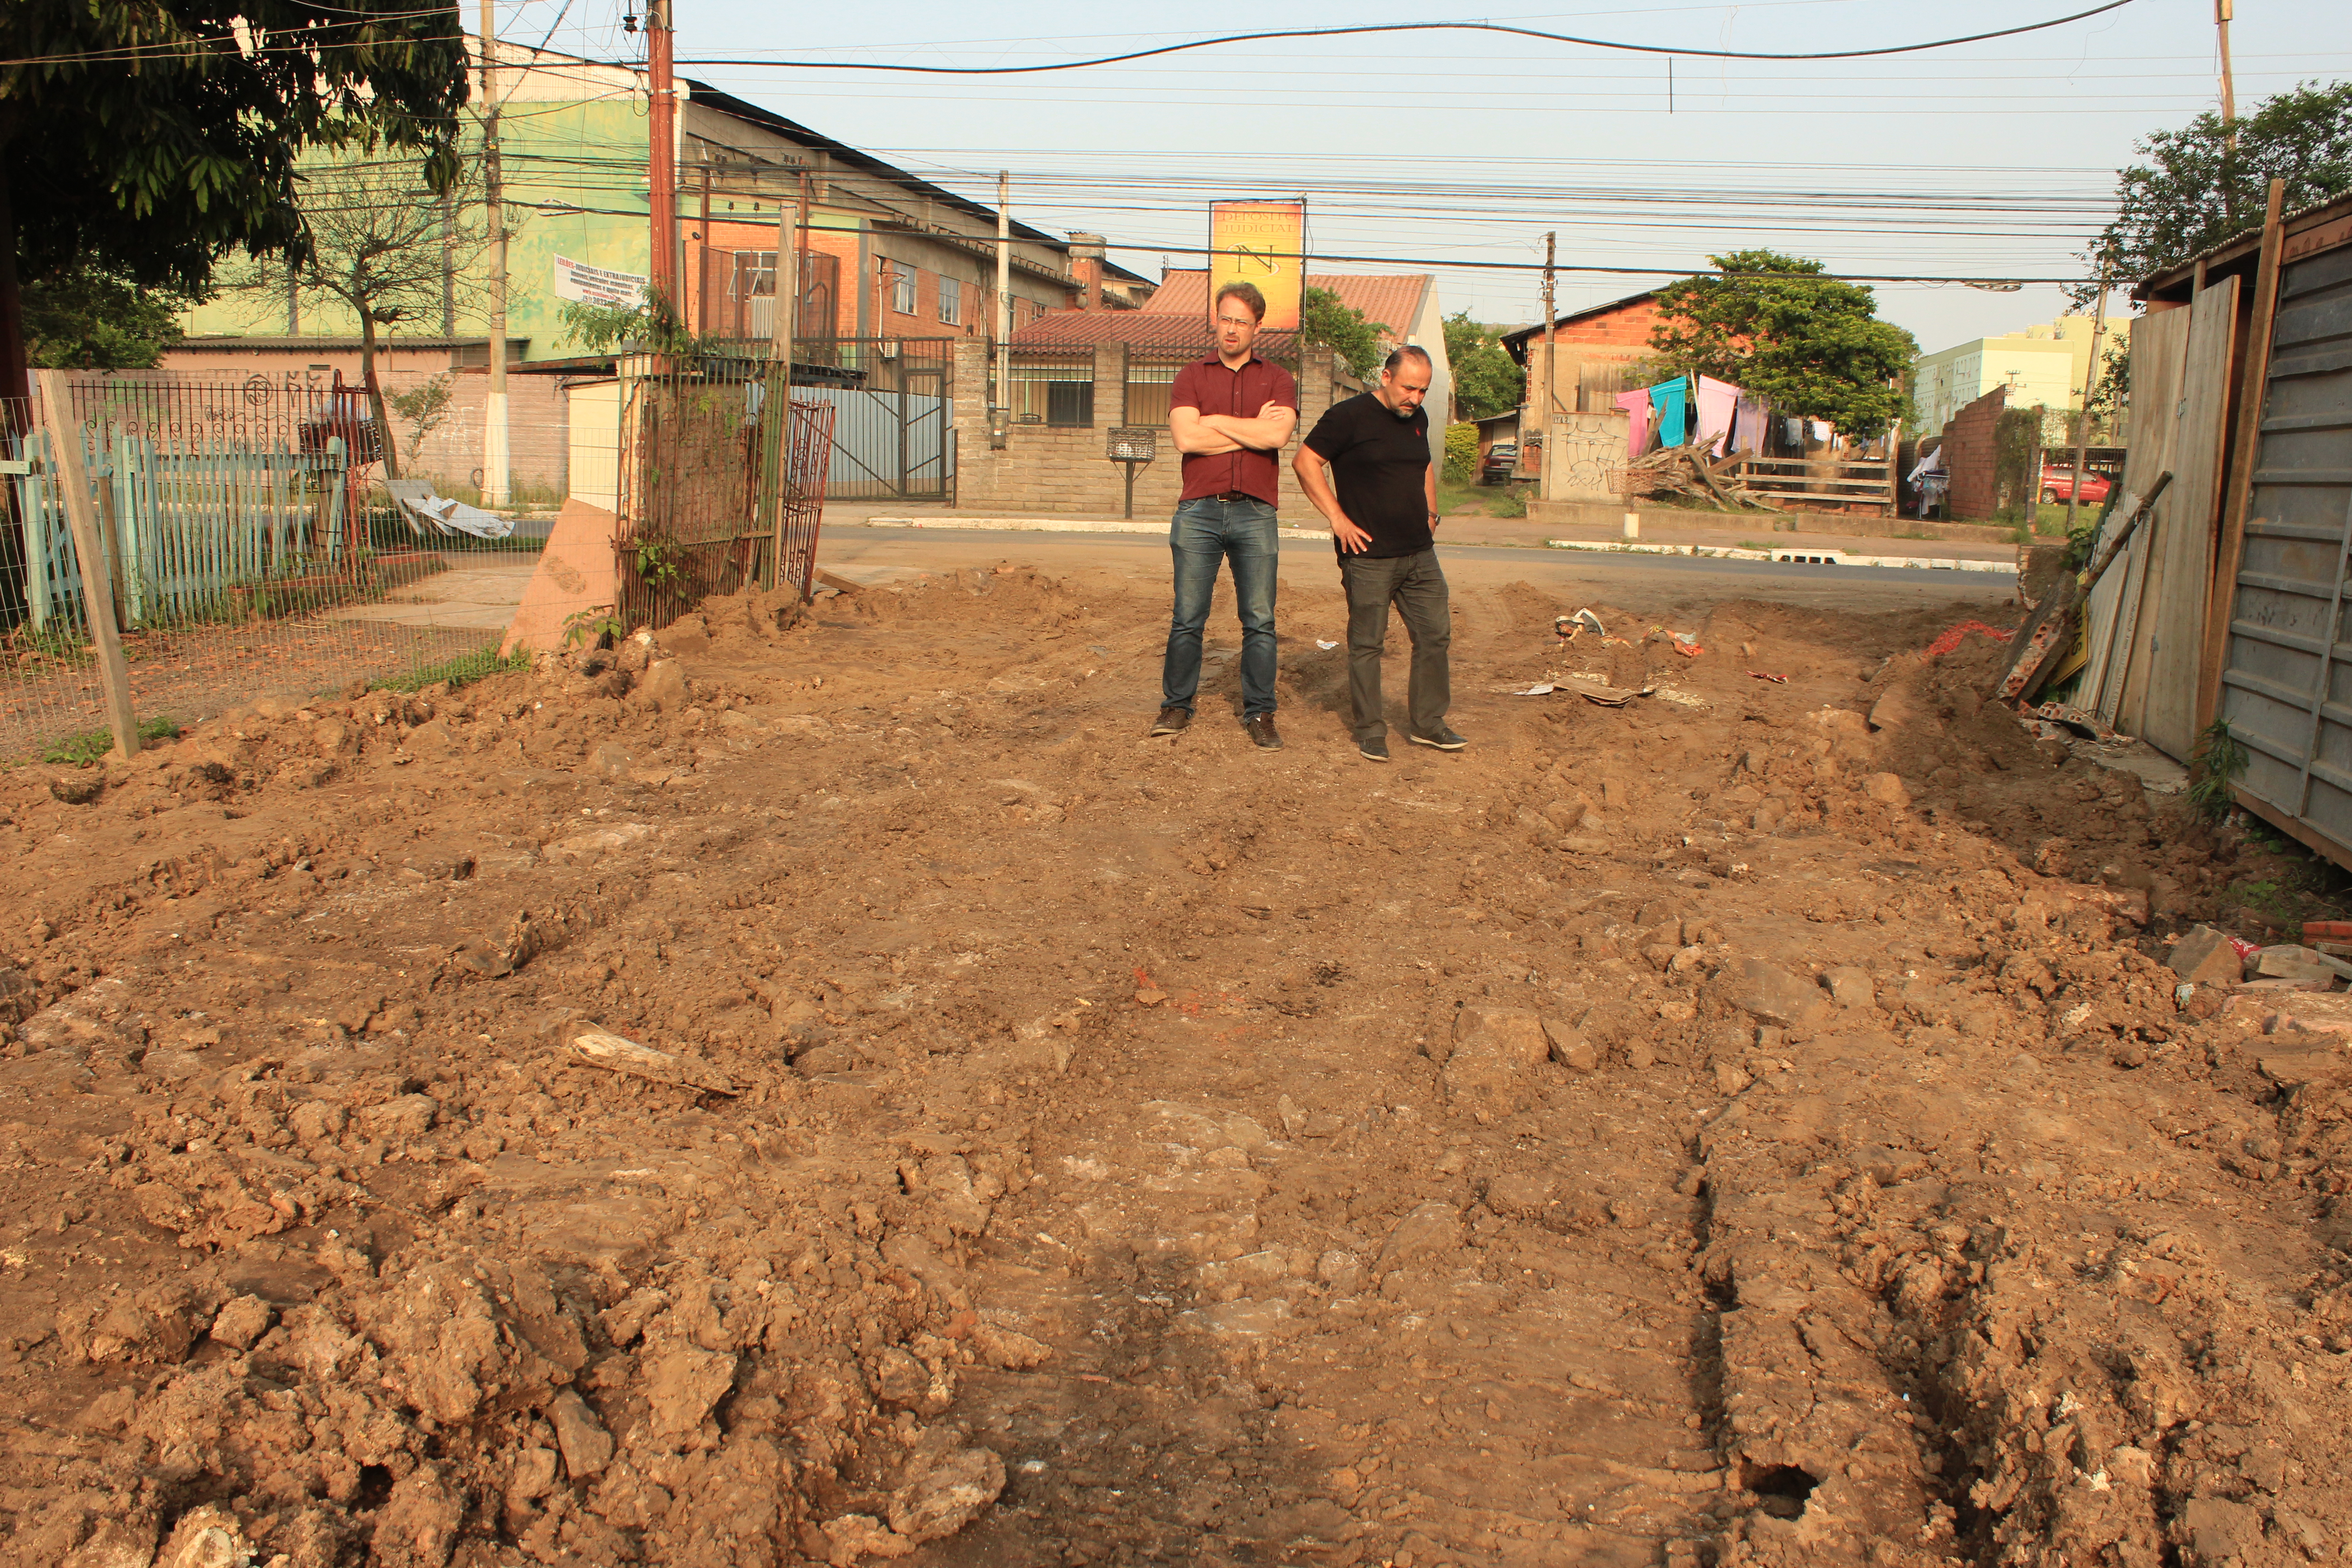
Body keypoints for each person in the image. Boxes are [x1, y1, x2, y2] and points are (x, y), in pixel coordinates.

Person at [1293, 345, 1464, 763]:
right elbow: (1305, 462)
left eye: (1423, 391)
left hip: (1419, 554)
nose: (1416, 399)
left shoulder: (1417, 417)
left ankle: (1428, 724)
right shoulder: (1347, 417)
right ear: (1385, 378)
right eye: (1409, 388)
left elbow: (1422, 464)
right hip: (1368, 556)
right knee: (1367, 644)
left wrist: (1432, 511)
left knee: (1434, 636)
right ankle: (1370, 729)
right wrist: (1337, 518)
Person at [1153, 281, 1299, 750]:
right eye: (1226, 318)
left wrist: (1212, 421)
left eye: (1241, 321)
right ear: (1215, 320)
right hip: (1198, 511)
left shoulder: (1278, 379)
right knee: (1188, 617)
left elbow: (1277, 439)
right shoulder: (1191, 376)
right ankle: (1176, 707)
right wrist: (1251, 429)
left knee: (1259, 619)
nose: (1232, 329)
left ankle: (1260, 714)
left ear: (1258, 327)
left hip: (1256, 512)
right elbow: (1186, 440)